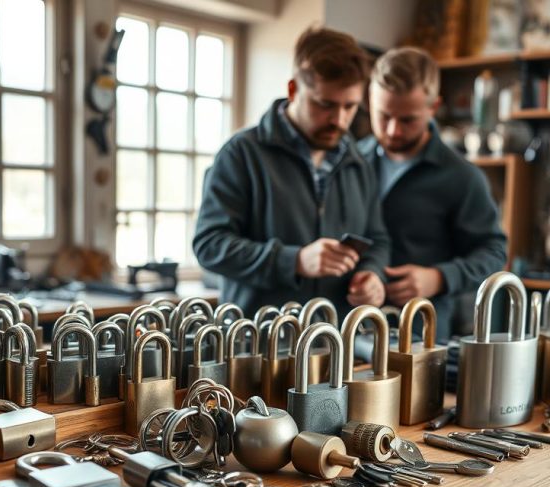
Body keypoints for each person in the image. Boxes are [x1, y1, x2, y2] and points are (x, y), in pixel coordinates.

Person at [193, 27, 390, 317]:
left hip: (333, 345)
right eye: (325, 104)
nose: (339, 119)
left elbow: (378, 239)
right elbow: (209, 245)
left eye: (350, 107)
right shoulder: (241, 154)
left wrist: (373, 276)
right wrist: (294, 260)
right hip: (254, 346)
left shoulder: (358, 162)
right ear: (293, 89)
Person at [358, 47, 507, 340]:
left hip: (419, 336)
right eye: (383, 115)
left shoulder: (463, 177)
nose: (393, 130)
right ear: (369, 100)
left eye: (408, 120)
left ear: (433, 107)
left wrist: (439, 278)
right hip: (349, 328)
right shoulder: (350, 161)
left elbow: (494, 252)